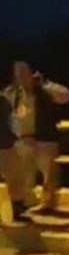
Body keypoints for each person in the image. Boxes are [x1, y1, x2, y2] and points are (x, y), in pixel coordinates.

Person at [3, 62, 69, 215]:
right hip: (22, 139)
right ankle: (27, 202)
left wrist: (45, 84)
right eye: (19, 74)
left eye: (25, 73)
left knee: (49, 173)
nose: (22, 77)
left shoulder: (45, 90)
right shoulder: (13, 93)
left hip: (44, 137)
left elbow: (65, 96)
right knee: (23, 174)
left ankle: (48, 204)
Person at [0, 93, 19, 222]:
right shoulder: (5, 100)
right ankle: (16, 209)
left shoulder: (4, 101)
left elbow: (12, 121)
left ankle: (16, 209)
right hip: (6, 144)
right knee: (13, 180)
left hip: (5, 144)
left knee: (13, 180)